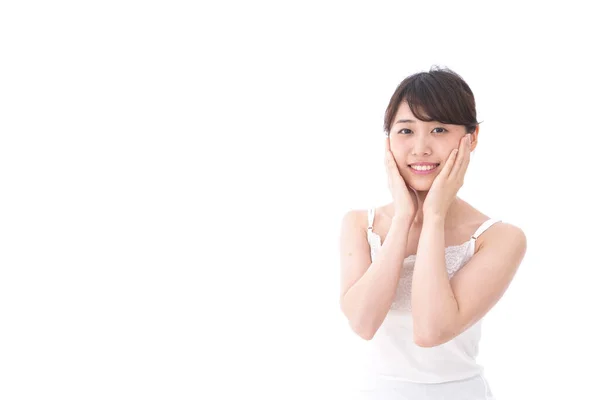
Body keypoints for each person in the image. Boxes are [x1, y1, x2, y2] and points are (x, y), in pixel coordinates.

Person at [338, 66, 527, 399]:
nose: (421, 148)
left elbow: (430, 330)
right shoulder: (359, 224)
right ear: (388, 142)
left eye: (439, 129)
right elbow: (363, 323)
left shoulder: (498, 238)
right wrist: (404, 218)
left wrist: (435, 215)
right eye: (406, 131)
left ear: (472, 138)